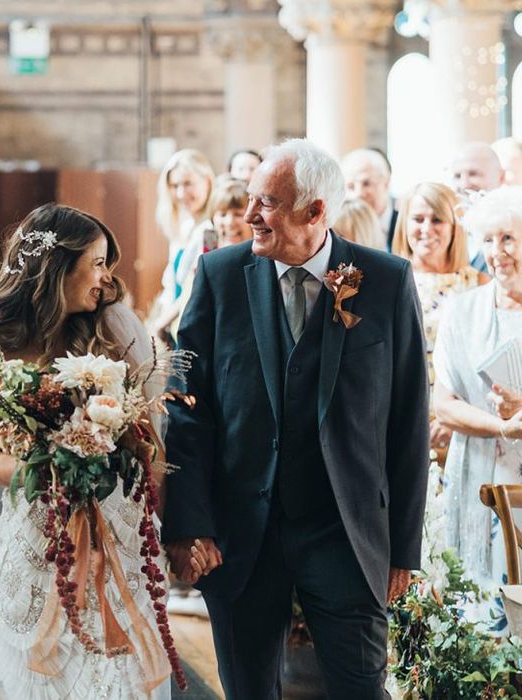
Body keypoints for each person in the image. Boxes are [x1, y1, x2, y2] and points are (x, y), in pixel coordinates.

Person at [162, 139, 430, 698]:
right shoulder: (217, 276)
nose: (250, 215)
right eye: (252, 200)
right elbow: (188, 409)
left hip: (346, 531)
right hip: (240, 535)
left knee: (360, 689)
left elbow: (408, 420)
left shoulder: (385, 280)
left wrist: (402, 548)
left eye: (268, 203)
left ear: (315, 212)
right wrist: (189, 524)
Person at [0, 203, 192, 699]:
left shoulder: (115, 327)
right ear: (56, 268)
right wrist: (51, 461)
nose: (105, 275)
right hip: (38, 552)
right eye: (95, 262)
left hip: (122, 544)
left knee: (125, 684)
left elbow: (154, 443)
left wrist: (165, 525)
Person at [433, 186, 522, 634]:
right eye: (488, 240)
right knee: (475, 611)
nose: (496, 253)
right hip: (476, 474)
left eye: (508, 238)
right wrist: (502, 425)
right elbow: (443, 403)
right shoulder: (462, 311)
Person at [392, 182, 488, 460]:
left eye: (437, 220)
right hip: (403, 422)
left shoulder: (479, 285)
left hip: (463, 426)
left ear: (454, 227)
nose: (426, 229)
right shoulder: (387, 281)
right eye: (418, 219)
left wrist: (454, 418)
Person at [152, 149, 215, 343]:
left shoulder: (212, 230)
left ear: (207, 181)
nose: (181, 193)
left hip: (197, 330)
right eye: (174, 185)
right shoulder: (185, 227)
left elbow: (199, 287)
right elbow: (171, 284)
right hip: (175, 329)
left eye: (188, 184)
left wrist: (162, 323)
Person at [449, 142, 505, 273]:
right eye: (457, 176)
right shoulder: (443, 228)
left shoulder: (515, 228)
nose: (464, 184)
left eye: (473, 174)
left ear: (500, 177)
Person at [341, 147, 397, 250]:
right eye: (350, 186)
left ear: (386, 183)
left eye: (366, 184)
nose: (358, 194)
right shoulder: (338, 231)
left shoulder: (406, 224)